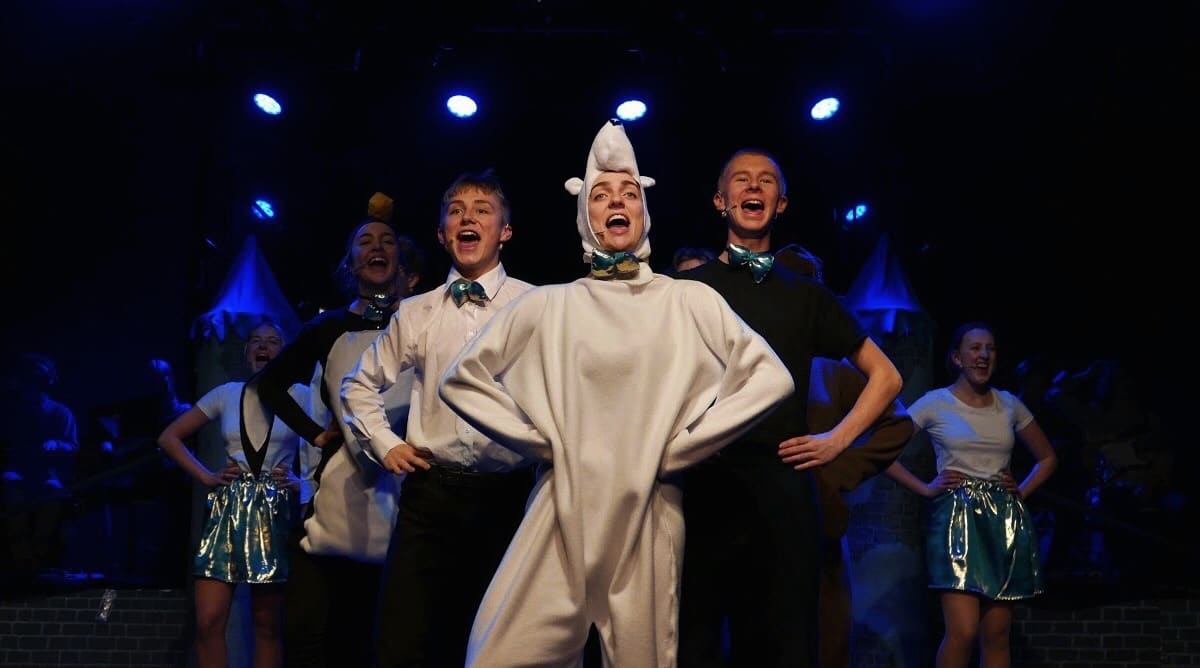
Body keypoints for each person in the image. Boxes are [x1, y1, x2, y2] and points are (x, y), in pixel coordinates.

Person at [436, 119, 795, 667]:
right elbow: (461, 379)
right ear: (586, 215)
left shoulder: (685, 300)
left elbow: (771, 377)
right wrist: (541, 442)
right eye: (601, 195)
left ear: (644, 211)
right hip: (561, 505)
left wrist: (684, 446)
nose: (616, 202)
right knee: (499, 655)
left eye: (629, 193)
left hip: (648, 511)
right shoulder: (549, 305)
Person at [674, 148, 903, 667]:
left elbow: (887, 376)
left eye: (766, 180)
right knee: (696, 641)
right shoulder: (688, 289)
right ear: (720, 200)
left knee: (784, 644)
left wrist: (836, 441)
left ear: (781, 203)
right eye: (741, 179)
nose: (753, 186)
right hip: (707, 485)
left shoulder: (806, 295)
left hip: (784, 489)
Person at [341, 169, 537, 668]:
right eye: (456, 211)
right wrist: (386, 443)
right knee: (405, 643)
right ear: (442, 233)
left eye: (482, 210)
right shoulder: (417, 312)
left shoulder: (536, 305)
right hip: (431, 498)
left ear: (505, 231)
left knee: (500, 647)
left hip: (509, 498)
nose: (467, 217)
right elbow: (358, 385)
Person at [244, 193, 423, 668]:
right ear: (351, 263)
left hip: (406, 500)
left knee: (380, 641)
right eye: (365, 241)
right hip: (337, 500)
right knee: (310, 635)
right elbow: (270, 384)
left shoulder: (422, 325)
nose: (377, 246)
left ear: (401, 264)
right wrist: (314, 433)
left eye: (387, 241)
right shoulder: (327, 328)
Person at [884, 321, 1057, 668]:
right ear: (957, 358)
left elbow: (1048, 458)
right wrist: (926, 488)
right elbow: (882, 452)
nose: (983, 355)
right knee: (962, 631)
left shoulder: (1009, 405)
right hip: (957, 519)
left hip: (1003, 521)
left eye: (990, 348)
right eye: (975, 348)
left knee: (997, 634)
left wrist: (1021, 491)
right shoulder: (936, 403)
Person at [775, 242, 914, 668]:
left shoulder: (834, 368)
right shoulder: (746, 360)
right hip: (758, 527)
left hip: (819, 529)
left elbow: (897, 422)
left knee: (827, 638)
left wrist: (837, 467)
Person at [157, 321, 306, 668]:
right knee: (208, 620)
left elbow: (330, 442)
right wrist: (206, 476)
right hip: (229, 508)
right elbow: (169, 438)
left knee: (267, 625)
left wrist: (304, 483)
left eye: (272, 341)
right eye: (256, 341)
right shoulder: (227, 393)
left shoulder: (302, 394)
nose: (263, 346)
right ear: (247, 351)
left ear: (284, 351)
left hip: (273, 508)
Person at [0, 352, 79, 578]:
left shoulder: (60, 412)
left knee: (51, 495)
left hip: (49, 474)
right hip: (18, 472)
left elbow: (73, 446)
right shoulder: (13, 412)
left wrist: (56, 444)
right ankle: (21, 559)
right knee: (13, 494)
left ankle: (39, 557)